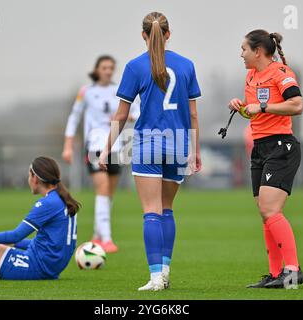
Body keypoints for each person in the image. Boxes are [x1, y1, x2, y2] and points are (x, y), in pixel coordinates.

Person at [99, 12, 201, 291]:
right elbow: (193, 115)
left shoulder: (135, 67)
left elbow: (121, 115)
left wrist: (106, 148)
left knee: (151, 212)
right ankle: (164, 273)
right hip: (179, 144)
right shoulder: (187, 65)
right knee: (167, 210)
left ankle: (156, 278)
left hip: (147, 144)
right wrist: (195, 150)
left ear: (144, 35)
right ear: (168, 34)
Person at [228, 29, 303, 289]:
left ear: (258, 51)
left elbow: (297, 105)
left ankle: (293, 271)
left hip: (281, 146)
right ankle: (275, 274)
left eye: (244, 49)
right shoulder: (251, 75)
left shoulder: (281, 73)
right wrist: (242, 109)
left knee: (270, 209)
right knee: (265, 213)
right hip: (260, 148)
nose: (241, 54)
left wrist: (261, 107)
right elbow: (257, 114)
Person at [62, 55, 139, 253]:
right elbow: (74, 117)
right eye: (104, 67)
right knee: (102, 188)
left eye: (111, 67)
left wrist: (129, 117)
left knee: (109, 193)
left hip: (116, 146)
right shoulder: (86, 92)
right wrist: (68, 146)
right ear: (97, 69)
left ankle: (97, 234)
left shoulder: (119, 91)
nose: (108, 71)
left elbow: (137, 111)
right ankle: (106, 238)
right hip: (95, 146)